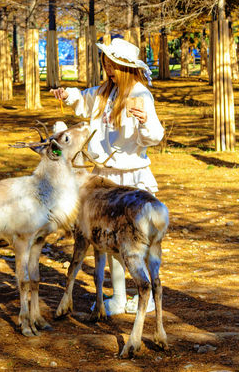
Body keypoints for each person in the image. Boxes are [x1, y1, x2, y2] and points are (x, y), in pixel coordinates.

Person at [50, 36, 164, 316]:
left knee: (137, 239)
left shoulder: (140, 94)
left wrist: (144, 121)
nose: (108, 69)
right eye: (106, 63)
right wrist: (67, 95)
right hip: (103, 178)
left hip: (131, 178)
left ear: (127, 67)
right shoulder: (104, 92)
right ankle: (118, 296)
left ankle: (147, 296)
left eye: (113, 65)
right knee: (108, 239)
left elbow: (154, 136)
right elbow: (83, 99)